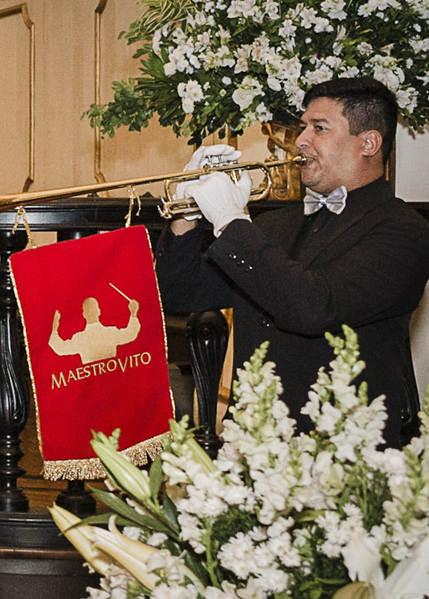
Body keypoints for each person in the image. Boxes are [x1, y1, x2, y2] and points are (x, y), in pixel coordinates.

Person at [158, 77, 429, 446]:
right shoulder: (273, 224)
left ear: (368, 142)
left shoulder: (404, 231)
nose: (301, 140)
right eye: (303, 127)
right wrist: (185, 211)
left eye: (319, 128)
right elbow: (179, 293)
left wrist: (230, 220)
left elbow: (314, 308)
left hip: (343, 451)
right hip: (251, 441)